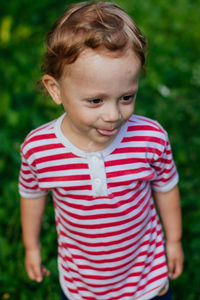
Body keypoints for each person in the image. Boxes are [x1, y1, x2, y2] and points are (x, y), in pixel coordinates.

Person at [19, 1, 184, 300]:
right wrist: (32, 246)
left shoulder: (150, 137)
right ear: (55, 90)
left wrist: (174, 240)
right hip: (83, 283)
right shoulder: (39, 149)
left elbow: (166, 187)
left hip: (147, 277)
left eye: (126, 97)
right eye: (96, 101)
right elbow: (31, 194)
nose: (113, 115)